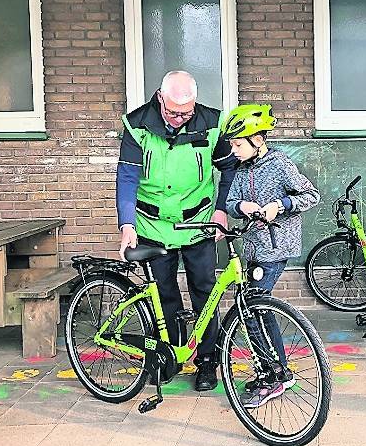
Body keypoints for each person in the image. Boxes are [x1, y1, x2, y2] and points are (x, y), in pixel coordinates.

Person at [116, 71, 237, 392]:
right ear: (160, 98)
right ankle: (168, 358)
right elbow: (127, 178)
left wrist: (222, 210)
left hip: (198, 224)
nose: (180, 119)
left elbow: (229, 169)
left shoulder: (213, 123)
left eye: (187, 112)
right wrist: (127, 225)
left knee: (206, 293)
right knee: (164, 293)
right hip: (152, 225)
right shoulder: (137, 125)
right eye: (173, 112)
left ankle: (208, 361)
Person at [222, 104, 320, 408]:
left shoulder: (280, 164)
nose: (234, 150)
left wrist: (281, 204)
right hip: (252, 245)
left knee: (253, 307)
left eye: (238, 144)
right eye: (232, 145)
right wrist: (243, 208)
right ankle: (279, 371)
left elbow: (311, 195)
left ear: (258, 140)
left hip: (276, 247)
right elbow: (230, 201)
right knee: (257, 307)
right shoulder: (241, 169)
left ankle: (272, 375)